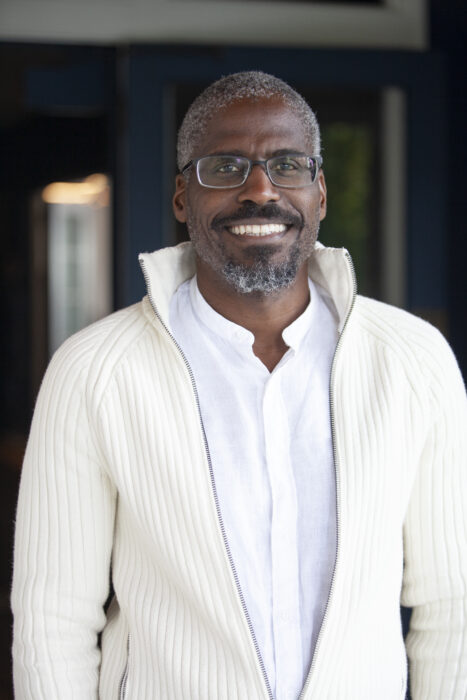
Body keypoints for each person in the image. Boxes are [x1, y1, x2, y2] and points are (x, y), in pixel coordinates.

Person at [11, 71, 467, 700]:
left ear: (320, 193)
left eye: (287, 165)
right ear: (182, 197)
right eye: (224, 167)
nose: (260, 189)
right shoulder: (94, 371)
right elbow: (54, 620)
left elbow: (453, 607)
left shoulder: (414, 360)